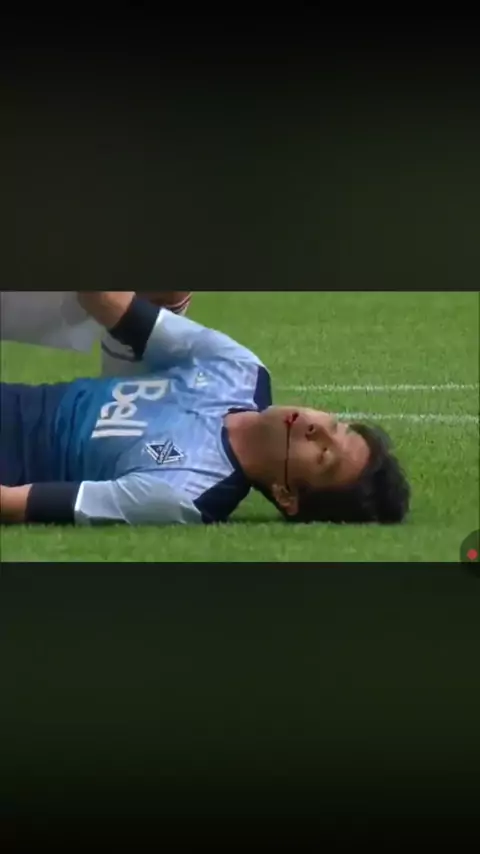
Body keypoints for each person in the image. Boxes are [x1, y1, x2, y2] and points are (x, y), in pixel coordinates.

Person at [0, 291, 410, 526]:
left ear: (286, 495)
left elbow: (15, 502)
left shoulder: (186, 492)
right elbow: (108, 300)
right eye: (335, 426)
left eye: (322, 456)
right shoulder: (241, 371)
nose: (316, 430)